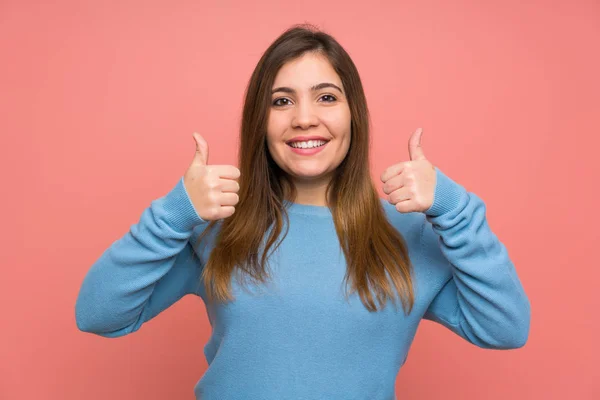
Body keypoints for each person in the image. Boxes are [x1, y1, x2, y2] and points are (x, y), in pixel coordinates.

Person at [75, 24, 531, 400]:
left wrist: (454, 209)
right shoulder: (218, 230)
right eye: (282, 100)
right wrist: (174, 214)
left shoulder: (406, 235)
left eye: (327, 97)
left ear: (354, 114)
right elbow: (98, 314)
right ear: (261, 120)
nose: (304, 118)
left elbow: (505, 327)